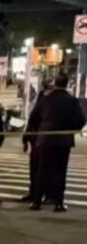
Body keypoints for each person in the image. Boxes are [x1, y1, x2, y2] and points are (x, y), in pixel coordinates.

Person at [28, 72, 86, 212]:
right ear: (67, 84)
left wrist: (39, 130)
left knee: (42, 170)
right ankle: (58, 203)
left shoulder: (45, 99)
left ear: (55, 83)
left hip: (45, 139)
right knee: (60, 171)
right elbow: (81, 119)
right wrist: (71, 129)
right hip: (63, 140)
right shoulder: (72, 100)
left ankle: (36, 202)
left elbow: (33, 118)